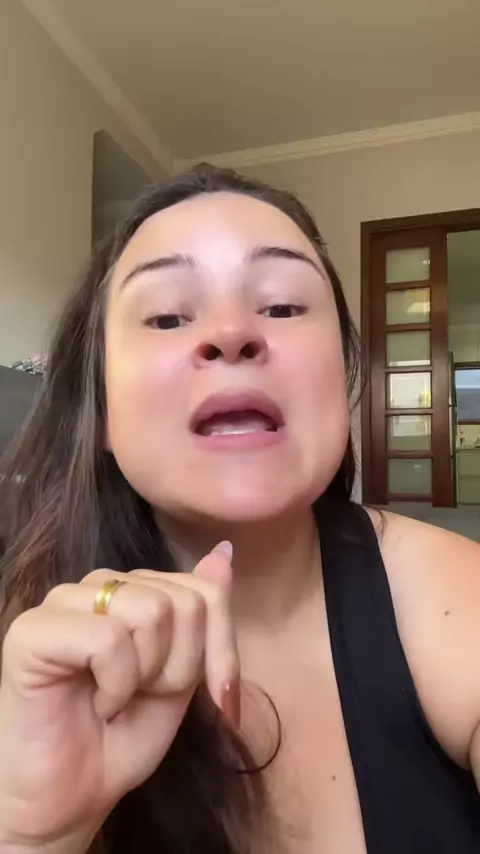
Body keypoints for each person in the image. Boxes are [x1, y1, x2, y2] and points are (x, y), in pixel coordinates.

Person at [0, 165, 479, 854]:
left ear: (342, 375)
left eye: (282, 306)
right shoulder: (24, 659)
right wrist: (32, 836)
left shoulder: (452, 597)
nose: (231, 332)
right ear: (100, 408)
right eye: (168, 316)